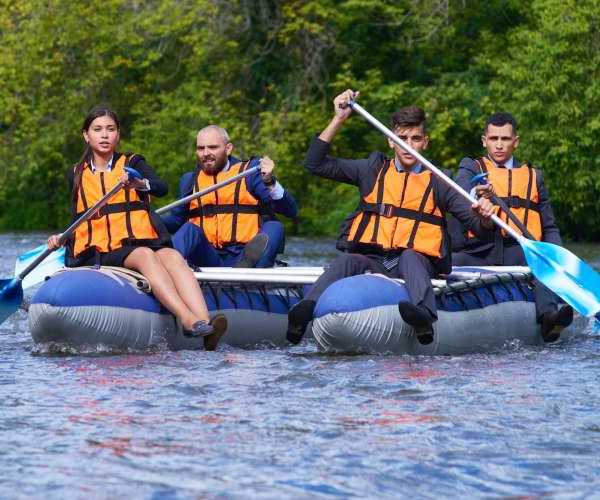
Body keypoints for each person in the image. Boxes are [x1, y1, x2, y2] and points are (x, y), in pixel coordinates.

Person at [286, 90, 496, 345]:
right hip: (375, 259)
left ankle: (424, 316)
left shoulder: (439, 182)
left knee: (409, 256)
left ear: (425, 143)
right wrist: (338, 119)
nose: (409, 145)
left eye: (415, 139)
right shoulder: (371, 170)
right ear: (390, 141)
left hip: (417, 263)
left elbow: (479, 228)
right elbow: (315, 164)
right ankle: (304, 312)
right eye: (402, 138)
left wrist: (484, 217)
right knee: (349, 259)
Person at [47, 107, 226, 349]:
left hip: (139, 239)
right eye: (97, 130)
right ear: (86, 136)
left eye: (110, 130)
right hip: (100, 249)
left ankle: (205, 325)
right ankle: (186, 319)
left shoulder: (133, 163)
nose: (104, 135)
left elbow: (161, 188)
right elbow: (80, 216)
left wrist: (139, 183)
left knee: (172, 256)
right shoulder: (77, 174)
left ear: (118, 135)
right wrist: (61, 236)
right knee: (144, 256)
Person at [448, 112, 573, 342]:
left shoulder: (535, 177)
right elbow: (461, 189)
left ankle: (549, 319)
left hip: (519, 251)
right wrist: (476, 193)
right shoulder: (471, 166)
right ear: (484, 140)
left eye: (504, 139)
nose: (498, 145)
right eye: (493, 138)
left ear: (515, 141)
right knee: (448, 263)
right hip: (480, 250)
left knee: (542, 264)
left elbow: (549, 226)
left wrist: (556, 256)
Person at [162, 125, 298, 268]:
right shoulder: (189, 180)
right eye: (201, 148)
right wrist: (147, 217)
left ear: (228, 149)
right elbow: (175, 221)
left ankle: (248, 275)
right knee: (188, 229)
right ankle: (166, 272)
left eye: (212, 147)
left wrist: (270, 183)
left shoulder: (250, 173)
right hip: (207, 256)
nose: (205, 153)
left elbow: (290, 210)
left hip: (244, 254)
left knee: (275, 227)